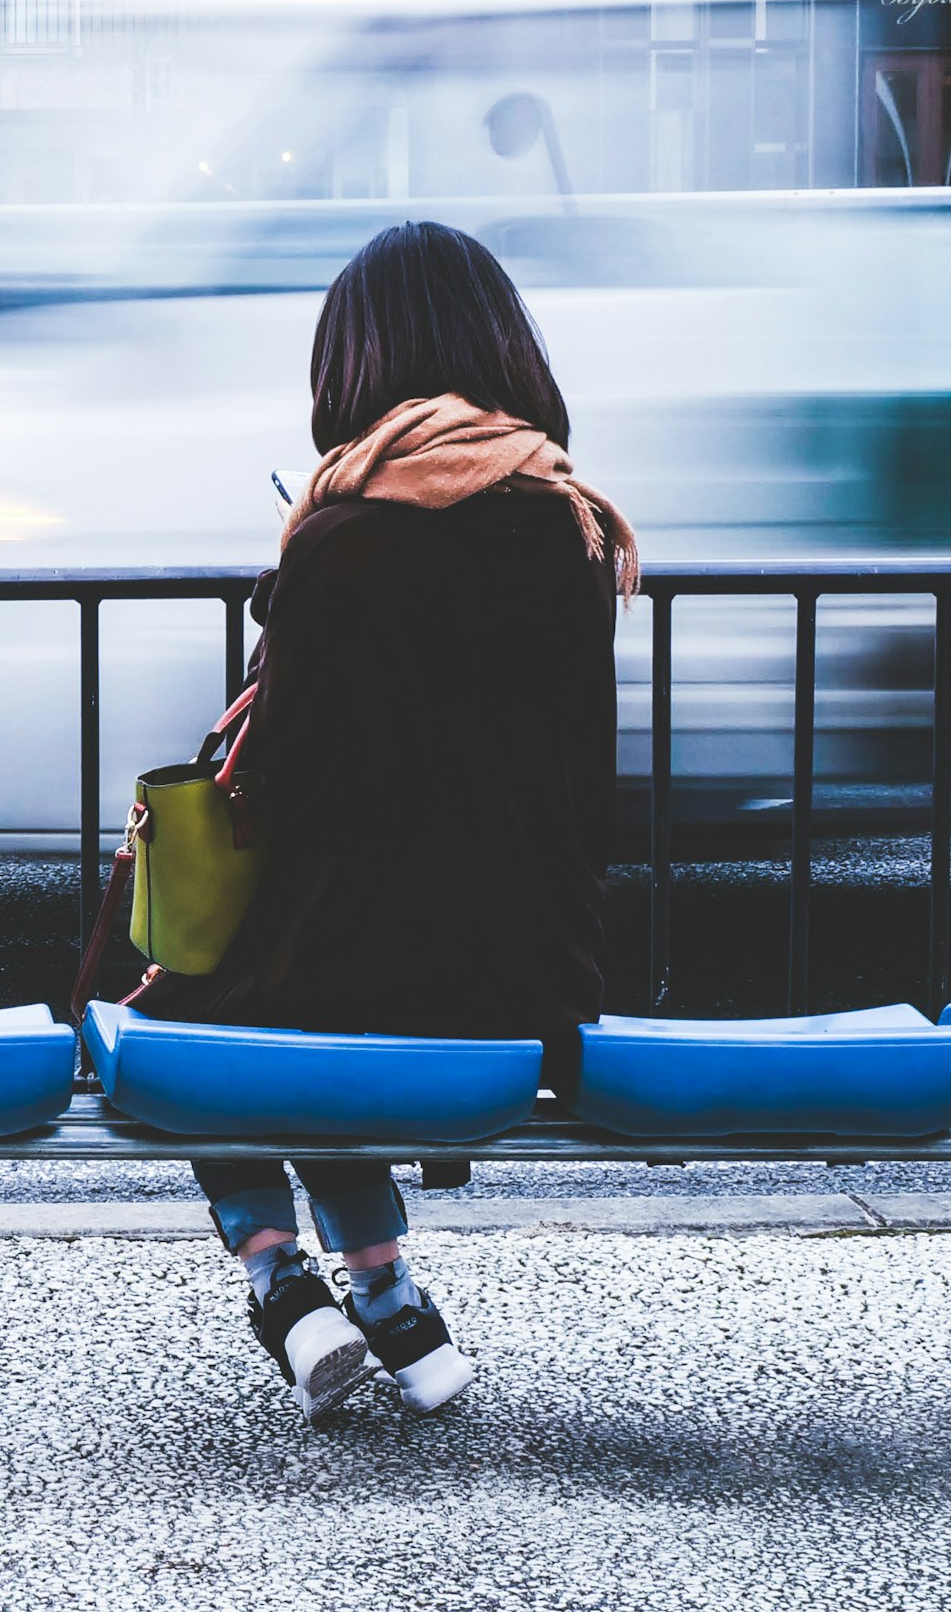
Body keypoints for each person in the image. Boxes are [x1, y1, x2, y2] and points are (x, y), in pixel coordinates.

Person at [131, 220, 631, 1425]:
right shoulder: (573, 527)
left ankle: (281, 1283)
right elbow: (588, 784)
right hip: (528, 987)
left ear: (354, 367)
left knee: (187, 1009)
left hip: (372, 980)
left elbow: (288, 788)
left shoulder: (345, 537)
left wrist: (286, 605)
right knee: (301, 995)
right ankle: (393, 1305)